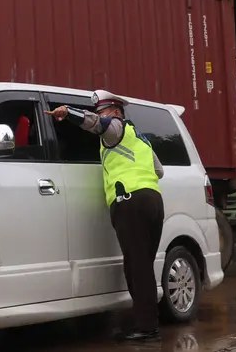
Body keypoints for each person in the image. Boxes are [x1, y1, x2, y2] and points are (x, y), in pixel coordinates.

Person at [44, 90, 164, 342]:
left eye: (104, 111)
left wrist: (69, 113)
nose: (100, 116)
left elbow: (97, 124)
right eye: (100, 112)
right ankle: (148, 322)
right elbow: (159, 170)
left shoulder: (117, 130)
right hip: (153, 201)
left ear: (117, 113)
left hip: (129, 202)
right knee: (142, 265)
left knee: (136, 267)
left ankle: (146, 327)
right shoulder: (140, 139)